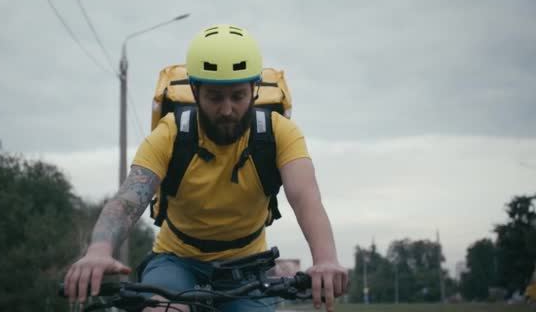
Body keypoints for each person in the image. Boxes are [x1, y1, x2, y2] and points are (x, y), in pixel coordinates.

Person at [64, 24, 348, 312]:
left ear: (254, 91)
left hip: (246, 265)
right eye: (215, 97)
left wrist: (325, 259)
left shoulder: (280, 134)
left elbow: (306, 199)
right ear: (196, 91)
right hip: (176, 259)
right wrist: (98, 250)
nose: (226, 110)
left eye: (237, 96)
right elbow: (128, 199)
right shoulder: (170, 134)